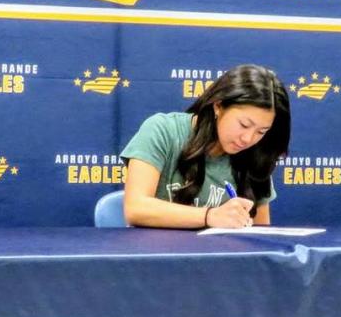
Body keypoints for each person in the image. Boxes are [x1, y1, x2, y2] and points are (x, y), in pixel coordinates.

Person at [121, 64, 291, 229]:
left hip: (220, 256)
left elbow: (260, 232)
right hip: (160, 254)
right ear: (218, 105)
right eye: (244, 124)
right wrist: (210, 216)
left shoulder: (257, 154)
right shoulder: (163, 130)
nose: (248, 139)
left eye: (261, 131)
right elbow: (136, 208)